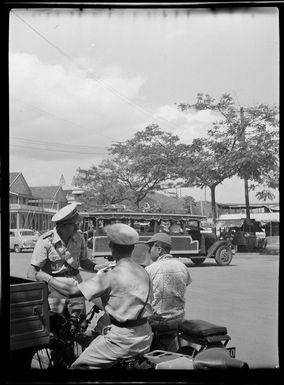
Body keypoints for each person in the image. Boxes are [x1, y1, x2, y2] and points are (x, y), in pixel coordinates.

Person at [35, 223, 153, 369]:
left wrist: (46, 277)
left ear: (111, 246)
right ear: (133, 248)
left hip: (122, 339)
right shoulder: (143, 272)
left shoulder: (111, 275)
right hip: (145, 335)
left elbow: (72, 291)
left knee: (78, 366)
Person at [27, 203, 107, 316]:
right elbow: (32, 272)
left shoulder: (79, 237)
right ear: (62, 227)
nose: (78, 227)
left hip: (76, 285)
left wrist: (96, 267)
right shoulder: (45, 241)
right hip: (54, 286)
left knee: (79, 321)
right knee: (58, 322)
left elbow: (83, 261)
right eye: (75, 224)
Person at [145, 232, 192, 350]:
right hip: (178, 318)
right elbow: (186, 283)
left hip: (160, 321)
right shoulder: (182, 266)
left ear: (159, 249)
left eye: (150, 247)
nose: (148, 250)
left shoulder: (150, 269)